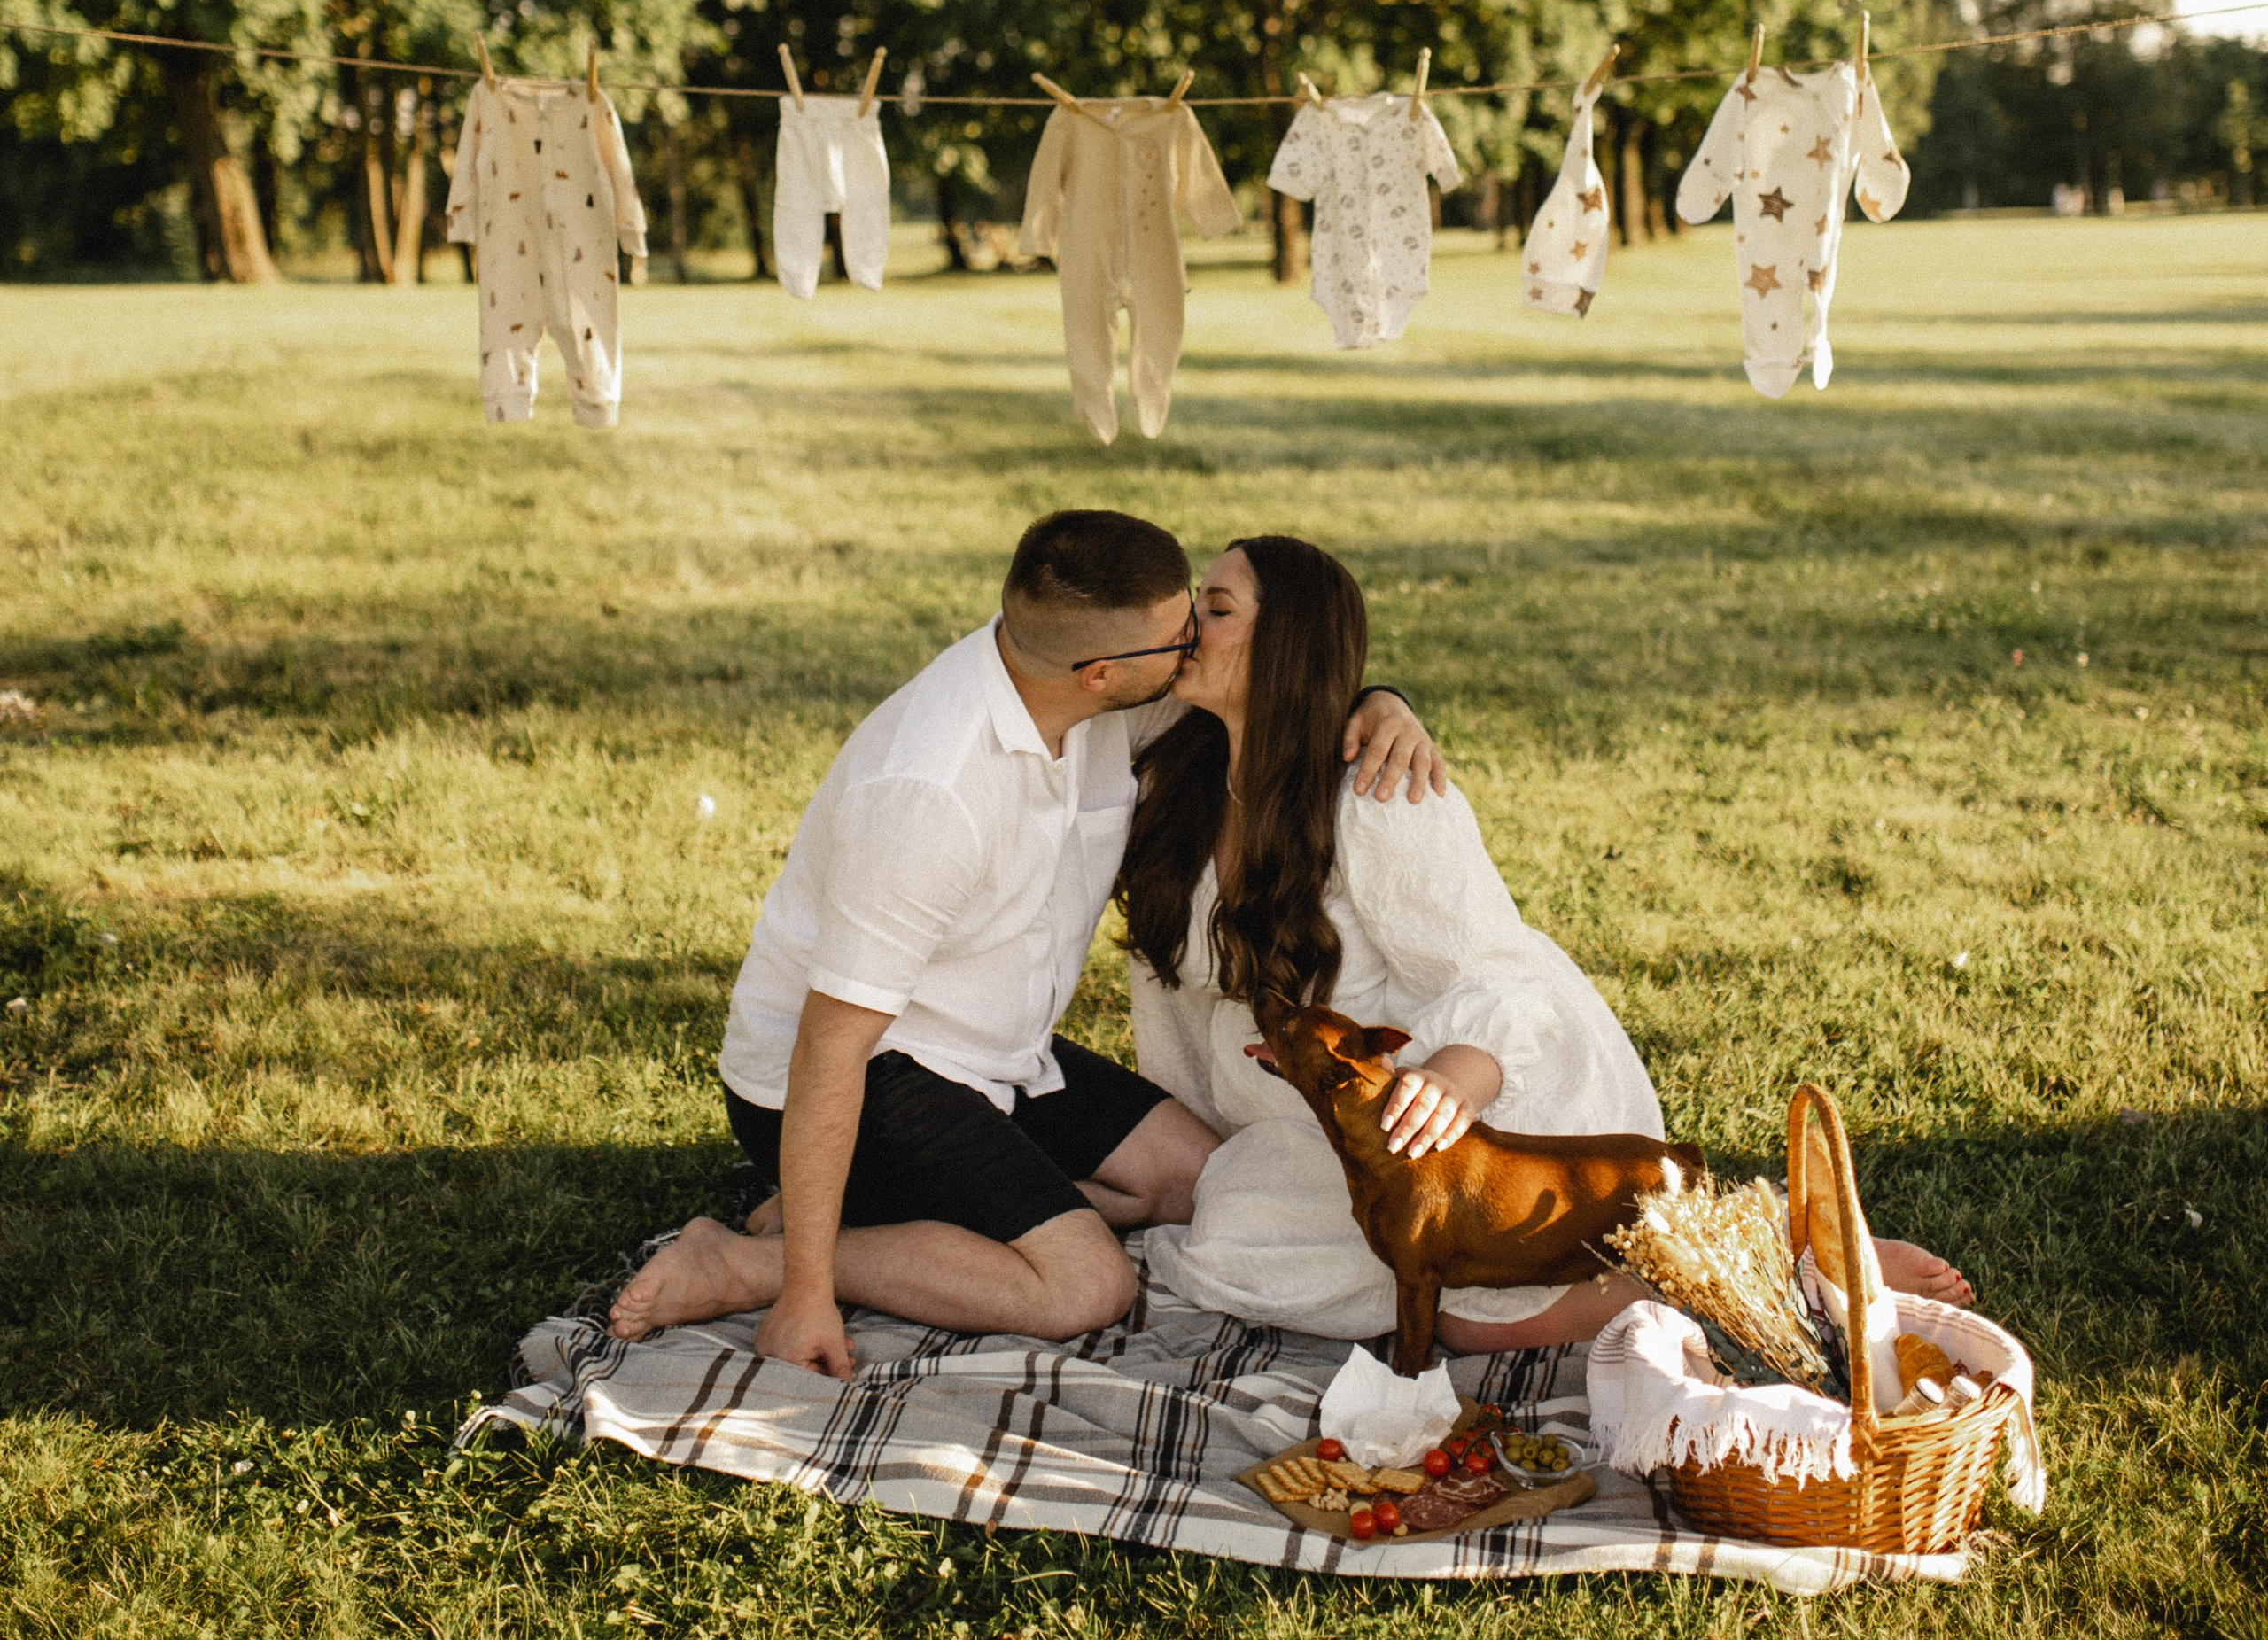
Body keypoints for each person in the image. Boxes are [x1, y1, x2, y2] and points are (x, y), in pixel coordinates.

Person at [606, 509, 1447, 1369]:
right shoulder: (928, 795)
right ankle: (751, 1260)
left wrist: (1384, 702)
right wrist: (803, 1295)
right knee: (1087, 1285)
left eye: (1195, 609)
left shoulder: (1099, 693)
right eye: (1178, 634)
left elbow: (1269, 700)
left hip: (998, 1049)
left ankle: (893, 1221)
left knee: (1205, 1179)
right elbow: (828, 1048)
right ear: (1100, 672)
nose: (1195, 639)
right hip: (858, 1072)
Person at [1124, 535, 1973, 1353]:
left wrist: (1456, 1078)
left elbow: (1496, 972)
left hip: (1484, 1096)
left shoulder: (1378, 798)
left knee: (1473, 1316)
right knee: (1236, 1236)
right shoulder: (1176, 773)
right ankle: (1713, 1257)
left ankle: (1783, 1263)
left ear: (1286, 648)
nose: (1190, 623)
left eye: (1218, 607)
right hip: (1329, 1121)